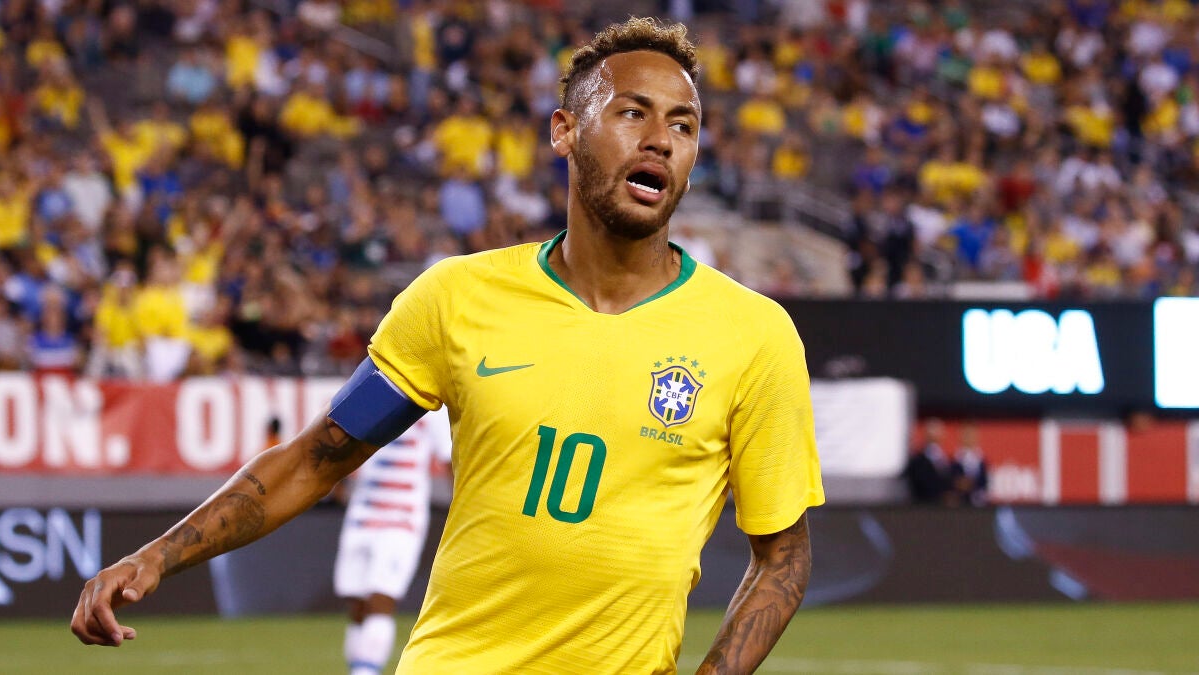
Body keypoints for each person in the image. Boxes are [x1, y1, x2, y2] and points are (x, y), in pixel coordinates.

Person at [71, 18, 825, 674]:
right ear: (564, 131)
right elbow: (312, 459)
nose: (660, 139)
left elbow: (783, 559)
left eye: (684, 125)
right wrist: (156, 554)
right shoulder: (457, 298)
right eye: (632, 113)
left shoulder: (752, 336)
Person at [334, 407, 451, 675]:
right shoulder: (373, 397)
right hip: (363, 512)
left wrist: (461, 507)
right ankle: (360, 668)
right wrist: (338, 484)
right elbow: (342, 444)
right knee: (357, 603)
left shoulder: (432, 409)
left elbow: (448, 458)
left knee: (381, 597)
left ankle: (365, 671)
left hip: (402, 517)